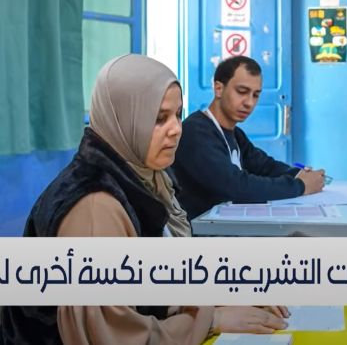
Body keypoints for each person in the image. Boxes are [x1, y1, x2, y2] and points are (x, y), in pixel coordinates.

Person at [0, 54, 288, 345]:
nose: (177, 129)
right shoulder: (95, 207)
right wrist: (210, 319)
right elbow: (115, 337)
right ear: (122, 119)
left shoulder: (146, 177)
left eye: (178, 114)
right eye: (159, 118)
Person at [173, 56, 325, 220]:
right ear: (218, 88)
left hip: (227, 226)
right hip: (201, 235)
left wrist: (299, 174)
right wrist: (300, 186)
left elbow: (264, 166)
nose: (250, 103)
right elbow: (236, 186)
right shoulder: (196, 132)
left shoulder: (235, 133)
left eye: (256, 95)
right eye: (242, 92)